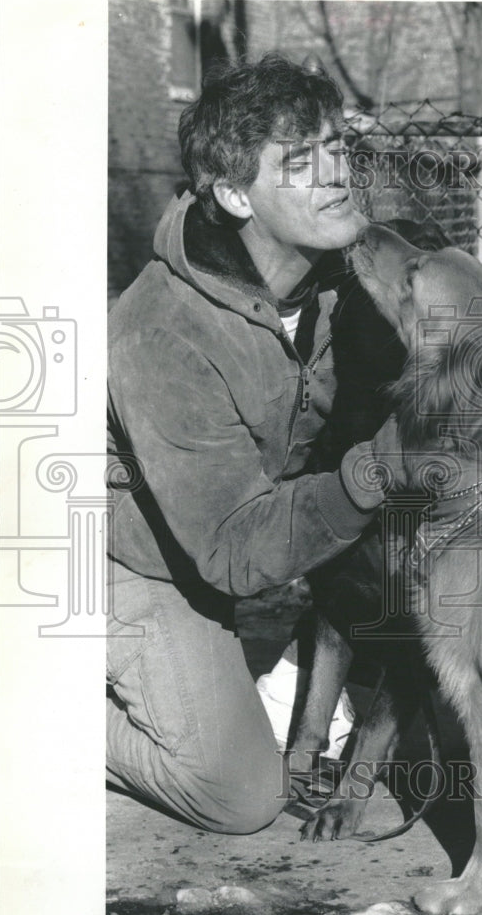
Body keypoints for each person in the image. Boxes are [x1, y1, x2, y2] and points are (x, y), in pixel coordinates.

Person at [107, 53, 398, 834]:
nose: (336, 174)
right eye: (299, 163)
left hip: (234, 546)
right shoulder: (160, 330)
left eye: (337, 147)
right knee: (239, 797)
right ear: (235, 195)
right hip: (126, 561)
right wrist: (370, 476)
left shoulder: (349, 273)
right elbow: (235, 550)